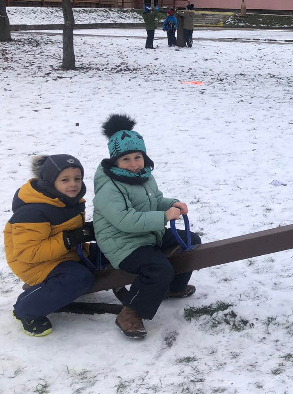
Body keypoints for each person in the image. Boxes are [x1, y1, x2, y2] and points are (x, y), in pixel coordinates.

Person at [93, 114, 201, 339]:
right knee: (158, 268)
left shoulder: (144, 176)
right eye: (126, 159)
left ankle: (173, 288)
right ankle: (130, 312)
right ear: (115, 161)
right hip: (122, 244)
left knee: (191, 240)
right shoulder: (109, 187)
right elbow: (125, 220)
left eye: (137, 157)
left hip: (147, 235)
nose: (133, 164)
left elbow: (156, 200)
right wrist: (163, 217)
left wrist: (172, 204)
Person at [4, 155, 96, 336]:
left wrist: (87, 230)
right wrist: (69, 239)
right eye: (65, 180)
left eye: (77, 178)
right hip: (34, 264)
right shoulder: (33, 211)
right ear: (50, 181)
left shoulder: (68, 199)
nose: (73, 184)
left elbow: (63, 228)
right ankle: (26, 309)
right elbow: (28, 252)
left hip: (64, 253)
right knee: (79, 278)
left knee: (111, 251)